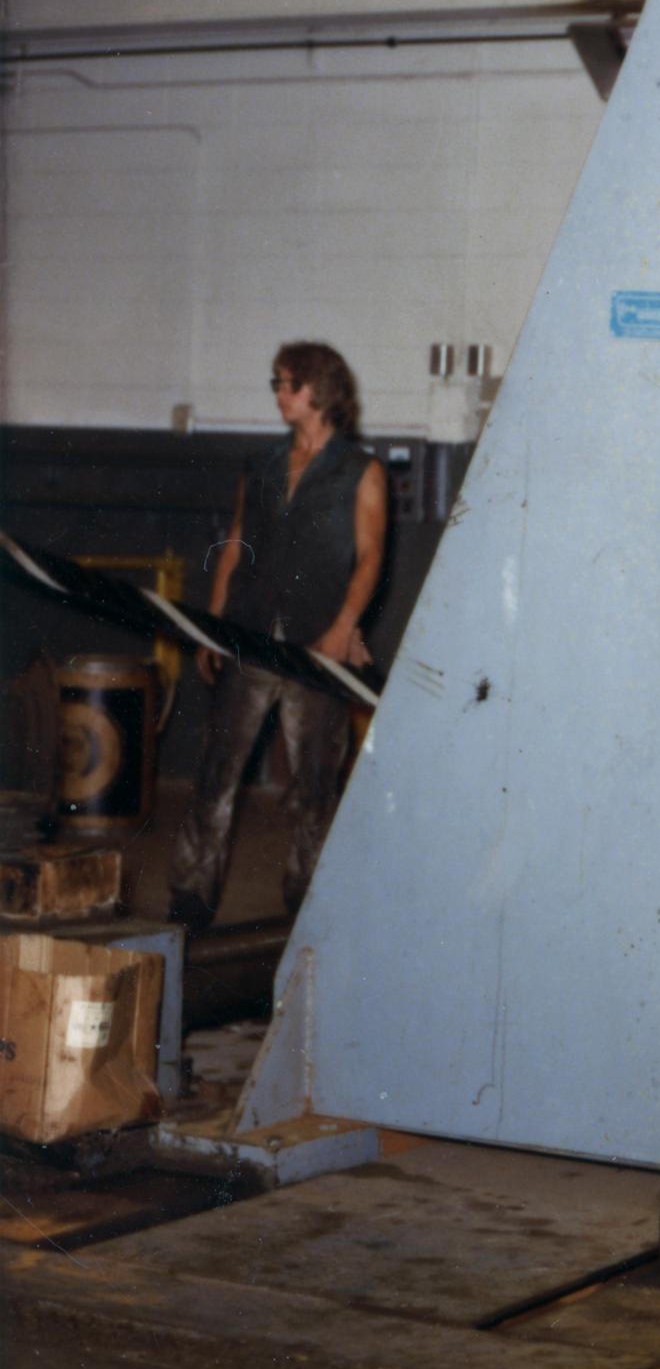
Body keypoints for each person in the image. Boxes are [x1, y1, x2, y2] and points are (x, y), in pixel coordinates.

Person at [167, 342, 387, 934]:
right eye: (277, 383)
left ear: (318, 391)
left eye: (286, 383)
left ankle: (309, 905)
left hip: (317, 644)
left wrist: (343, 630)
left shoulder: (361, 472)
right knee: (218, 770)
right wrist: (214, 625)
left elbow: (369, 560)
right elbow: (237, 542)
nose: (278, 393)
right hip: (250, 634)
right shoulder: (262, 466)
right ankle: (191, 898)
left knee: (315, 783)